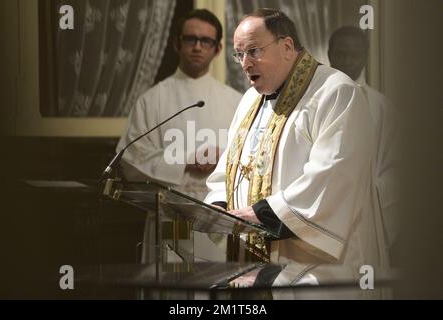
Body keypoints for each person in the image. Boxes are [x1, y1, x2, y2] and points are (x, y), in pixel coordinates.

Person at [205, 8, 390, 272]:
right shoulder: (249, 100)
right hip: (252, 260)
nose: (245, 63)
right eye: (239, 54)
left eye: (254, 51)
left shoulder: (335, 92)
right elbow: (229, 169)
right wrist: (218, 207)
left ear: (287, 47)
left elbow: (334, 176)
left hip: (313, 266)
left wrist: (261, 213)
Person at [117, 9, 242, 263]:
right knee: (176, 290)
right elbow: (130, 159)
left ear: (217, 49)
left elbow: (249, 158)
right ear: (177, 43)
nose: (197, 47)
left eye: (205, 41)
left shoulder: (236, 102)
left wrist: (223, 158)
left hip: (218, 216)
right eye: (190, 39)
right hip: (172, 215)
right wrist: (186, 161)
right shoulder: (152, 100)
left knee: (215, 290)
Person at [328, 26, 399, 254]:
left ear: (366, 55)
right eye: (341, 53)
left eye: (355, 53)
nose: (348, 60)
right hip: (325, 212)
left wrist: (372, 192)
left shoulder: (381, 107)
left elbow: (395, 168)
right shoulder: (314, 102)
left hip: (367, 216)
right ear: (329, 54)